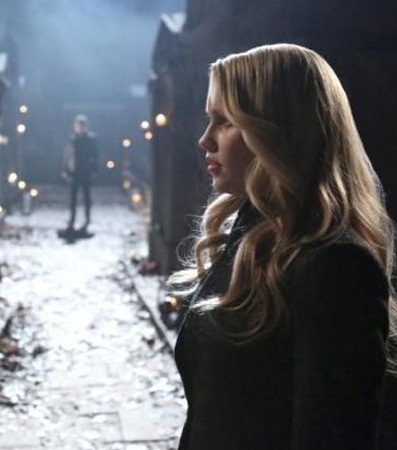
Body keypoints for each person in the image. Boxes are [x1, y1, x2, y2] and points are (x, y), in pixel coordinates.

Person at [167, 43, 396, 450]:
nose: (205, 140)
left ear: (279, 130)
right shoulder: (249, 236)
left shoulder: (335, 265)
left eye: (225, 122)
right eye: (209, 120)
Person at [61, 114, 99, 234]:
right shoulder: (72, 139)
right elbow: (67, 155)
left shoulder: (90, 140)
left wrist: (94, 170)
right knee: (73, 198)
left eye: (81, 125)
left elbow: (95, 156)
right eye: (77, 125)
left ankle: (87, 217)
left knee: (86, 196)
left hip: (85, 171)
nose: (79, 127)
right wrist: (65, 169)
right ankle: (73, 218)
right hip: (74, 171)